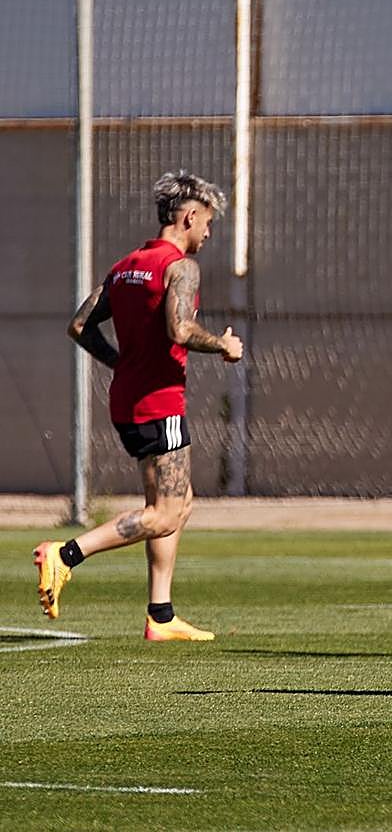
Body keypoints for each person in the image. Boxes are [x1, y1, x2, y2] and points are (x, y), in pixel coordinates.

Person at [34, 170, 244, 641]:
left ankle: (161, 615)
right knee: (166, 513)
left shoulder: (128, 264)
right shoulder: (180, 267)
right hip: (160, 403)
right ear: (189, 216)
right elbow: (180, 330)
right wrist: (225, 346)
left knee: (176, 503)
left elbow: (79, 326)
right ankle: (64, 555)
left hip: (128, 400)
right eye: (207, 223)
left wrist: (119, 362)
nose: (208, 233)